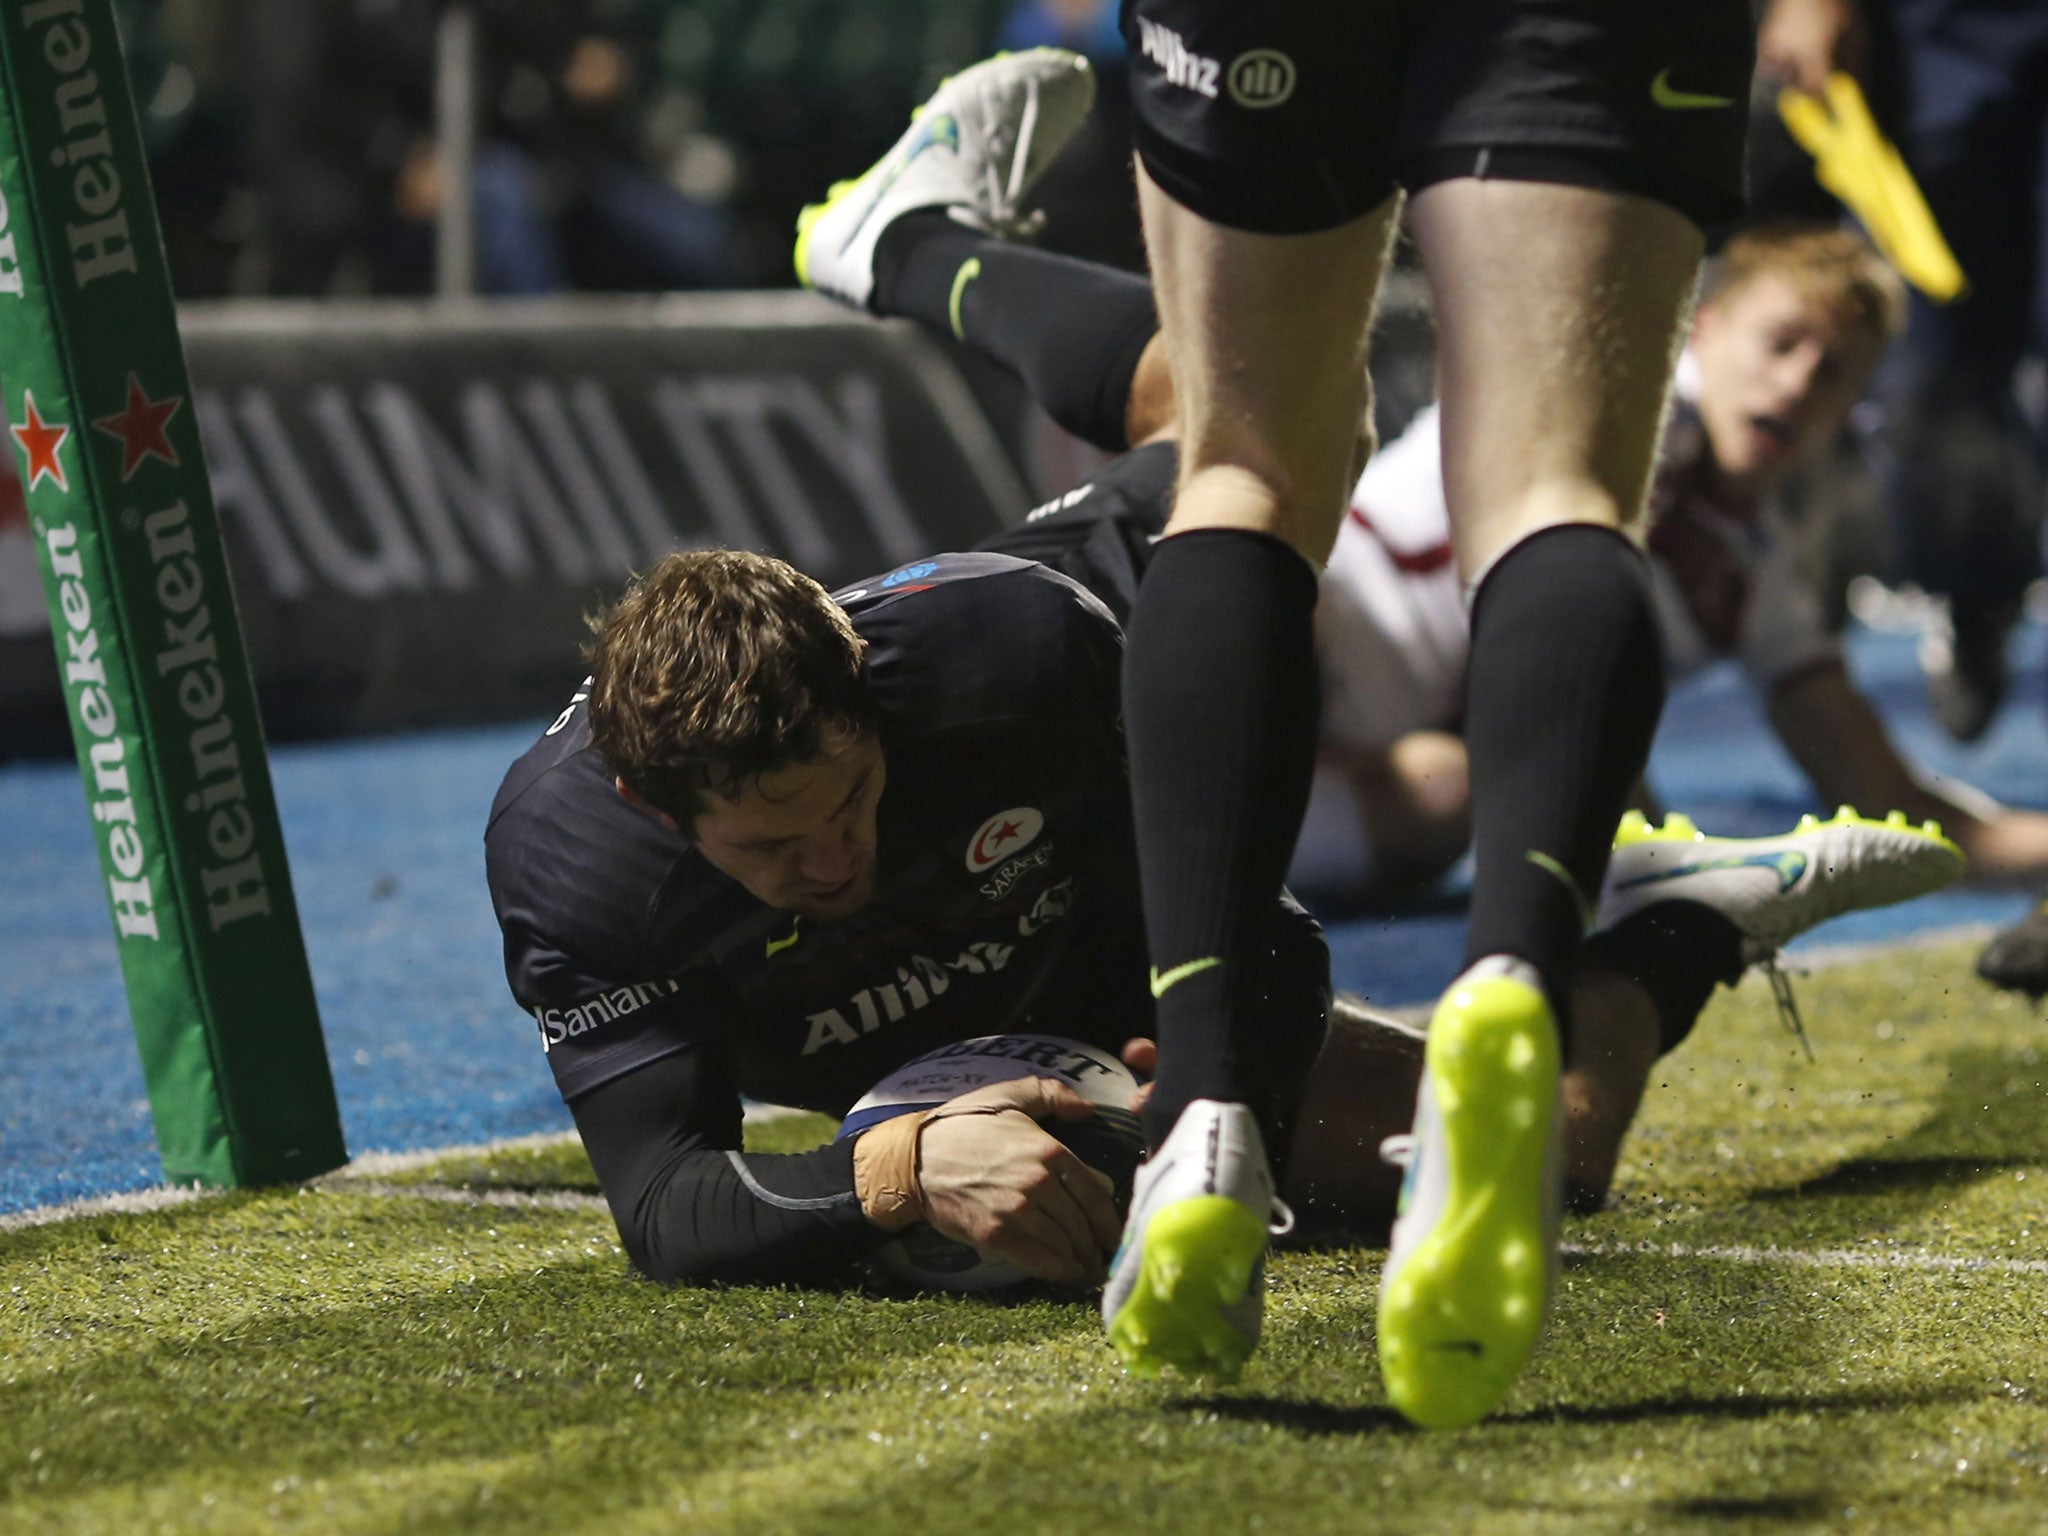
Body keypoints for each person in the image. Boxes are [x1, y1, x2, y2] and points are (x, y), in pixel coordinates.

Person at [1286, 223, 2048, 910]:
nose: (1794, 385)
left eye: (1832, 374)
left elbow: (1890, 803)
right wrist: (1652, 851)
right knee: (1270, 563)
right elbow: (1567, 676)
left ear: (1853, 408)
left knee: (1453, 791)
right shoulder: (1600, 405)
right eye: (1781, 343)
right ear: (1702, 332)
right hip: (1275, 642)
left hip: (1305, 782)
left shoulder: (1759, 579)